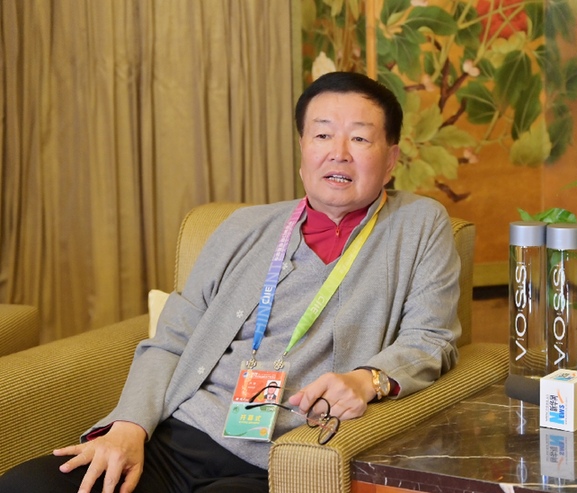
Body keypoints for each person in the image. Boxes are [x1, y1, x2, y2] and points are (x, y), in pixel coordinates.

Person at [0, 71, 461, 493]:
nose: (338, 152)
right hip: (176, 436)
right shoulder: (245, 227)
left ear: (390, 159)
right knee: (23, 486)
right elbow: (171, 340)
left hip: (279, 459)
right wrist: (128, 427)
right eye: (322, 134)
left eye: (359, 138)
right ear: (303, 148)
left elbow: (432, 338)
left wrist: (369, 380)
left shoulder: (418, 224)